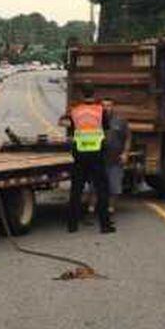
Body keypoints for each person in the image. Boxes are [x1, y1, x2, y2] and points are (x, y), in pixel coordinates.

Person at [58, 83, 115, 234]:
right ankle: (105, 225)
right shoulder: (100, 110)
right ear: (94, 93)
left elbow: (70, 131)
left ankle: (72, 226)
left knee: (76, 190)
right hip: (96, 154)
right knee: (102, 190)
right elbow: (106, 129)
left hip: (80, 154)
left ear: (81, 94)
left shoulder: (75, 111)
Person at [102, 99, 130, 214]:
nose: (106, 108)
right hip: (100, 158)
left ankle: (111, 207)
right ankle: (92, 207)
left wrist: (125, 153)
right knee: (95, 185)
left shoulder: (120, 121)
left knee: (114, 186)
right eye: (103, 105)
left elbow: (128, 137)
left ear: (113, 107)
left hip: (115, 159)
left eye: (108, 105)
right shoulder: (96, 121)